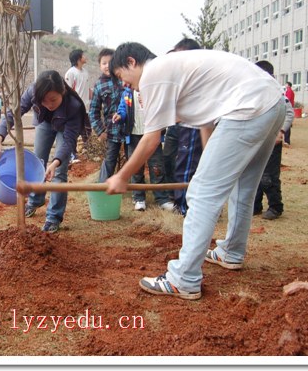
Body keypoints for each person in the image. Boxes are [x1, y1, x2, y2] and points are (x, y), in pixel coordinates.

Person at [106, 43, 286, 300]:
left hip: (249, 107)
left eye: (122, 76)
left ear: (132, 62)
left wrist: (121, 176)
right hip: (271, 102)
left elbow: (151, 140)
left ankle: (184, 279)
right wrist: (209, 167)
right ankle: (231, 252)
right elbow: (206, 123)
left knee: (201, 194)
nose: (127, 85)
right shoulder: (177, 70)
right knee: (243, 187)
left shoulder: (153, 73)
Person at [0, 70, 86, 234]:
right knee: (37, 162)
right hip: (45, 123)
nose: (48, 104)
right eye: (43, 100)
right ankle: (35, 200)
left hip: (65, 128)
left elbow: (69, 141)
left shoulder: (73, 106)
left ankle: (53, 217)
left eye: (53, 100)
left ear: (62, 91)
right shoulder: (33, 92)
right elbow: (12, 114)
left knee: (59, 173)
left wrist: (55, 163)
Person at [113, 85, 171, 211]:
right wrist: (119, 116)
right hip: (133, 136)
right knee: (136, 168)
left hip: (152, 135)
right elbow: (122, 110)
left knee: (157, 167)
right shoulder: (127, 94)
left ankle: (162, 198)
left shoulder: (151, 89)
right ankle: (139, 198)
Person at [253, 60, 295, 220]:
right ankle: (255, 206)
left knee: (268, 176)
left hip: (272, 140)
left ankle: (275, 207)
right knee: (253, 174)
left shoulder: (278, 93)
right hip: (256, 139)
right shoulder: (254, 91)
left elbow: (289, 113)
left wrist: (281, 131)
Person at [166, 38, 204, 216]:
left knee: (186, 170)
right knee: (183, 167)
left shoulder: (197, 76)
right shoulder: (186, 77)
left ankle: (184, 208)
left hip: (194, 129)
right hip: (189, 127)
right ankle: (182, 204)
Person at [88, 48, 124, 182]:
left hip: (130, 129)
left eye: (111, 62)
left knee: (133, 157)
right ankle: (103, 187)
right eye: (104, 63)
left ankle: (136, 190)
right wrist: (100, 131)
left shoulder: (123, 79)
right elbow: (93, 111)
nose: (107, 65)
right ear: (99, 65)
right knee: (110, 159)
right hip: (112, 130)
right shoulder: (99, 85)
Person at [65, 49, 92, 163]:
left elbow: (89, 90)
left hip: (86, 108)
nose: (85, 57)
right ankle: (72, 155)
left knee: (87, 131)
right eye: (83, 55)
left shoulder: (85, 72)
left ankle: (88, 152)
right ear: (79, 58)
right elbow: (67, 91)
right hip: (75, 109)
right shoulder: (70, 73)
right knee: (74, 132)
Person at [283, 81, 295, 146]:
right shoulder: (288, 91)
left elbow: (288, 99)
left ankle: (287, 141)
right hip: (288, 107)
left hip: (287, 108)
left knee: (286, 123)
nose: (285, 85)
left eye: (286, 84)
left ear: (288, 85)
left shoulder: (289, 91)